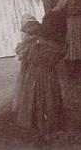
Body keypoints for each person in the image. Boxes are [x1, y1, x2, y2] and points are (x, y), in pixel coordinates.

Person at [14, 10, 67, 141]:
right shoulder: (54, 46)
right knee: (48, 100)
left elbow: (21, 54)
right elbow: (58, 55)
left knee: (35, 100)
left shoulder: (32, 44)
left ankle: (38, 128)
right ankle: (47, 127)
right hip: (48, 77)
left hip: (33, 76)